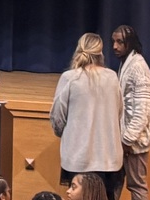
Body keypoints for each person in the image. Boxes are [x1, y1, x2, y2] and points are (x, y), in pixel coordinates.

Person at [50, 32, 123, 200]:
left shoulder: (70, 78)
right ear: (100, 52)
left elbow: (57, 118)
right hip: (108, 159)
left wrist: (69, 135)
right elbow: (120, 113)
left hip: (78, 157)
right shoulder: (112, 77)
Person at [111, 25, 150, 200]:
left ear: (129, 43)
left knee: (137, 186)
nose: (115, 46)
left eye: (120, 42)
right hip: (124, 140)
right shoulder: (126, 64)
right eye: (114, 42)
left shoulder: (139, 68)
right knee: (113, 183)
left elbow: (143, 111)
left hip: (134, 143)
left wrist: (128, 139)